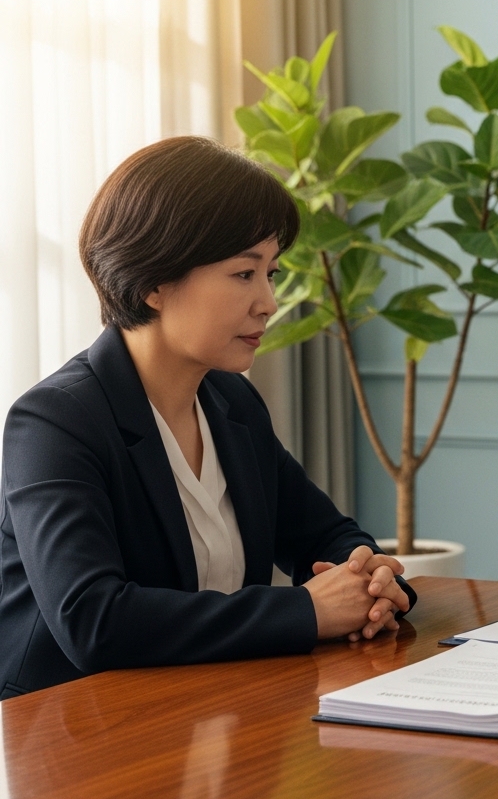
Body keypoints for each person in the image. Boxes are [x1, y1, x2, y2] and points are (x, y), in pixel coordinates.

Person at [0, 136, 414, 699]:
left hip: (213, 716)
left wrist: (373, 579)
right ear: (153, 282)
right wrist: (305, 613)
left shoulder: (231, 402)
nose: (268, 301)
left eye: (271, 272)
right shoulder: (55, 422)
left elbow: (327, 535)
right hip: (79, 736)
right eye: (245, 274)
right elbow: (92, 620)